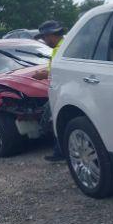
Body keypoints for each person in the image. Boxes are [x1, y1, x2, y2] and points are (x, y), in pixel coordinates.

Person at [35, 20, 66, 162]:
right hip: (61, 90)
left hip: (62, 91)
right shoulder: (63, 45)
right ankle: (59, 152)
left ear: (50, 35)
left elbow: (62, 72)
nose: (44, 41)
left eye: (44, 37)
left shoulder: (61, 48)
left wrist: (45, 74)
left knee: (55, 120)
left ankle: (60, 154)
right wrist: (47, 71)